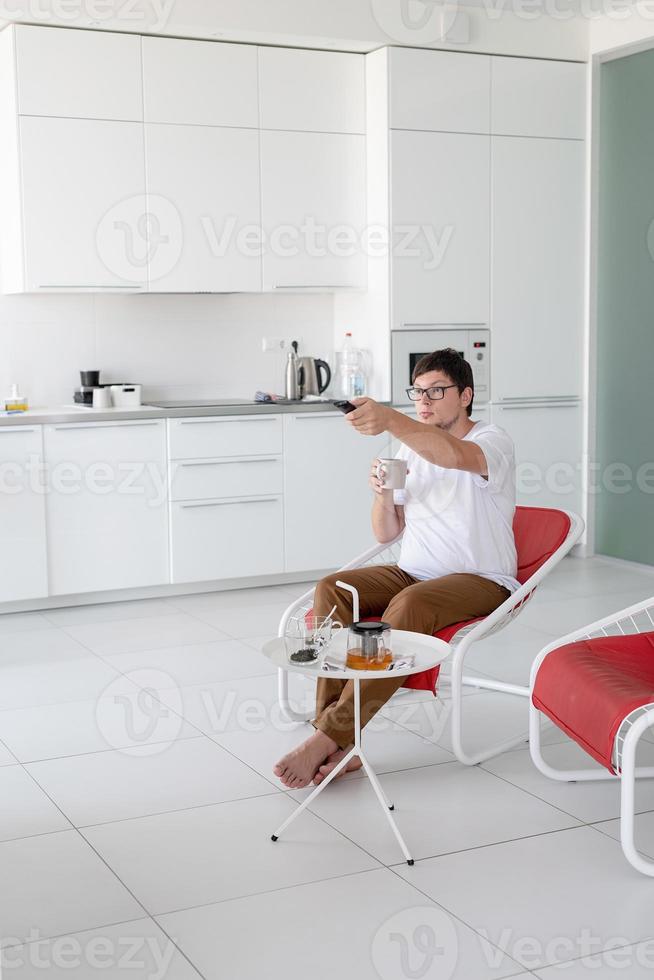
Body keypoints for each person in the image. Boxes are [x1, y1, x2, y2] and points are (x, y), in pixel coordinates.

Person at [273, 348, 519, 789]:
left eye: (436, 391)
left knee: (408, 604)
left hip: (481, 579)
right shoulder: (409, 447)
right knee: (334, 588)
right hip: (413, 570)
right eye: (418, 392)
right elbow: (387, 534)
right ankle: (339, 740)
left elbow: (455, 456)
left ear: (466, 395)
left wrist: (389, 419)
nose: (424, 400)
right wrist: (382, 495)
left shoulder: (492, 441)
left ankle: (325, 736)